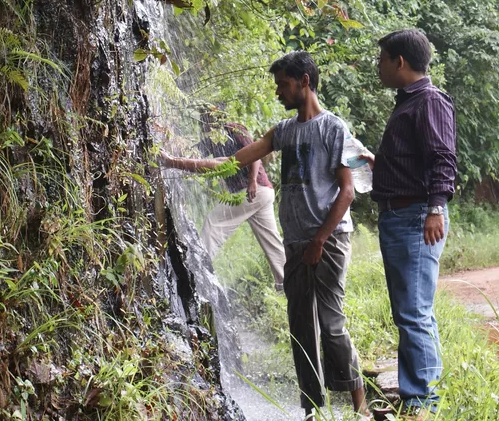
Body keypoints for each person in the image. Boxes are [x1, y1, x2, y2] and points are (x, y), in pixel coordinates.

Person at [161, 51, 370, 420]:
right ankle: (311, 410)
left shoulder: (333, 128)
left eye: (283, 84)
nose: (278, 92)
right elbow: (231, 162)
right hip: (296, 242)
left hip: (329, 240)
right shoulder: (283, 131)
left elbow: (347, 191)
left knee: (331, 324)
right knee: (300, 327)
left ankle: (361, 408)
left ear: (304, 81)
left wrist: (320, 240)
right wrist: (172, 162)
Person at [361, 29, 456, 420]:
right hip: (401, 215)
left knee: (414, 312)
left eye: (381, 59)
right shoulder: (409, 102)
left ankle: (422, 402)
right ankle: (419, 394)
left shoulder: (429, 100)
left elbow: (443, 158)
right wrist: (380, 163)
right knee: (412, 311)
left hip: (416, 216)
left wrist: (435, 208)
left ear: (399, 62)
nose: (378, 66)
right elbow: (417, 159)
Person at [192, 105, 285, 290]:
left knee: (213, 222)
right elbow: (193, 155)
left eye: (207, 118)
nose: (204, 123)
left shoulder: (234, 129)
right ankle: (289, 282)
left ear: (217, 117)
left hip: (253, 190)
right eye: (203, 119)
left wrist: (252, 181)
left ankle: (197, 271)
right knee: (272, 242)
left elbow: (255, 153)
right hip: (262, 194)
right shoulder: (211, 139)